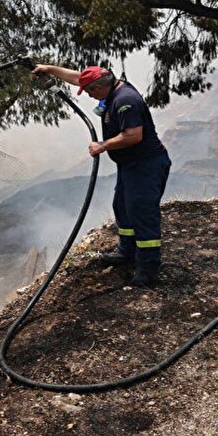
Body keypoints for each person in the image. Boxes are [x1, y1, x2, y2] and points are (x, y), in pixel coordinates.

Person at [31, 64, 172, 286]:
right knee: (122, 207)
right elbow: (79, 78)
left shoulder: (125, 100)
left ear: (99, 87)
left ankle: (148, 268)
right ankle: (127, 251)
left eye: (89, 91)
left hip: (146, 166)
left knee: (142, 213)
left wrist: (103, 145)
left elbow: (133, 135)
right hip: (130, 165)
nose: (88, 95)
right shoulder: (109, 87)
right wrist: (50, 69)